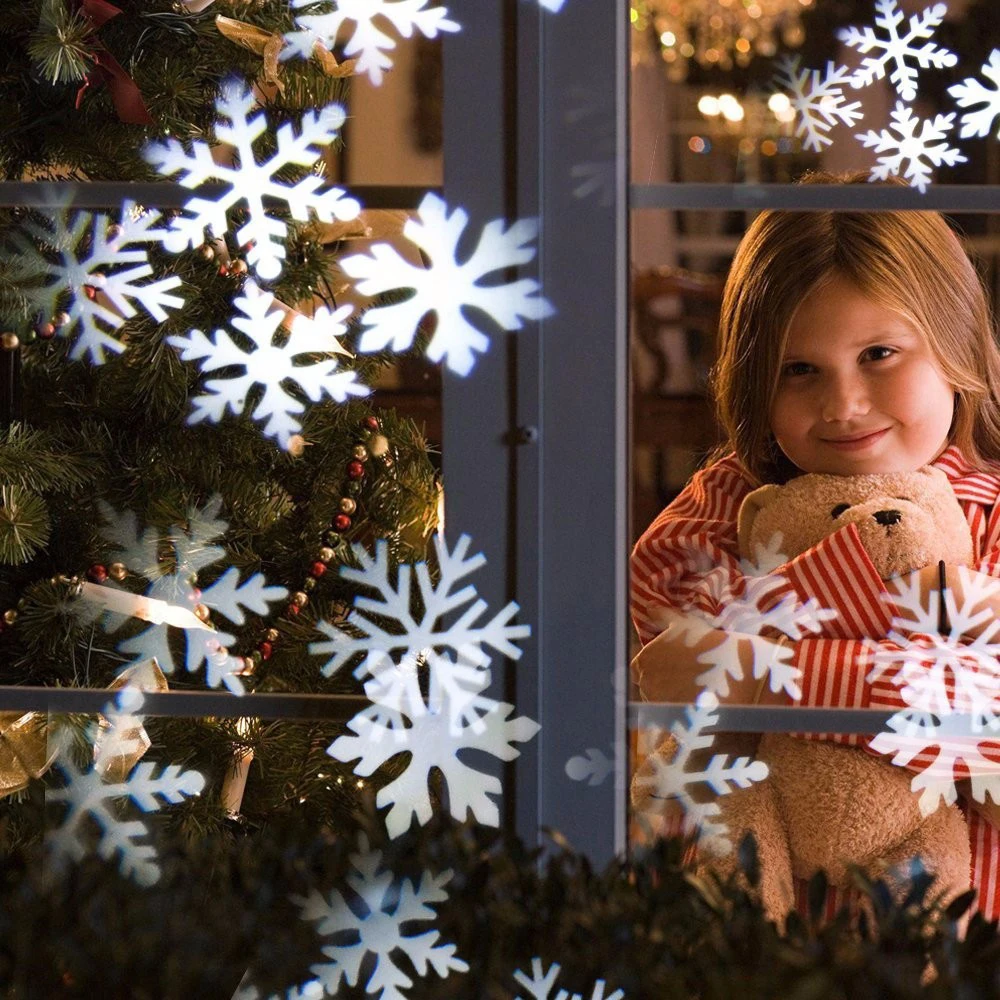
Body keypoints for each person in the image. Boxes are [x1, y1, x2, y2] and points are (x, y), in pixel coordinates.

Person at [630, 171, 1000, 923]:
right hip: (763, 935)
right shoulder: (722, 509)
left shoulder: (992, 519)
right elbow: (673, 678)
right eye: (800, 370)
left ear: (954, 344)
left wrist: (767, 676)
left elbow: (988, 748)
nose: (843, 406)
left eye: (879, 355)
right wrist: (921, 655)